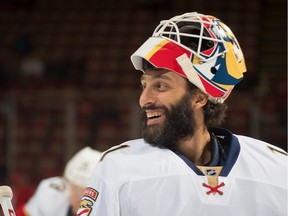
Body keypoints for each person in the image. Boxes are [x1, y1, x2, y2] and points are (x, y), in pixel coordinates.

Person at [77, 12, 287, 216]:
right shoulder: (118, 167)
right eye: (144, 85)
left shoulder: (277, 170)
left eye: (160, 86)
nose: (144, 100)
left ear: (199, 97)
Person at [16, 147, 102, 216]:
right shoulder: (51, 195)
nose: (79, 196)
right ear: (67, 183)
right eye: (75, 188)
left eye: (85, 191)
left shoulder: (109, 206)